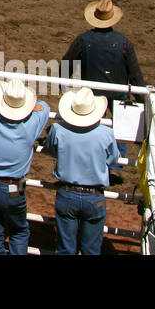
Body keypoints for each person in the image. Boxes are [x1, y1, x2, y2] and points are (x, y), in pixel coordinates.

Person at [62, 0, 145, 164]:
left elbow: (66, 65)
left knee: (90, 123)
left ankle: (89, 156)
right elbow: (135, 73)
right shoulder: (123, 43)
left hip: (92, 92)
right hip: (118, 91)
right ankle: (117, 162)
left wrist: (64, 86)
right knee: (120, 127)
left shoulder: (83, 40)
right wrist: (142, 97)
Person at [0, 78, 51, 255]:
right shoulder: (32, 123)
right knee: (19, 230)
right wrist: (31, 107)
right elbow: (45, 107)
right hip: (14, 185)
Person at [45, 86, 118, 255]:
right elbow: (113, 159)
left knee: (65, 249)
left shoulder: (58, 130)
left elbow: (50, 149)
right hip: (94, 195)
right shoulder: (106, 133)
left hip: (67, 192)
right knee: (91, 250)